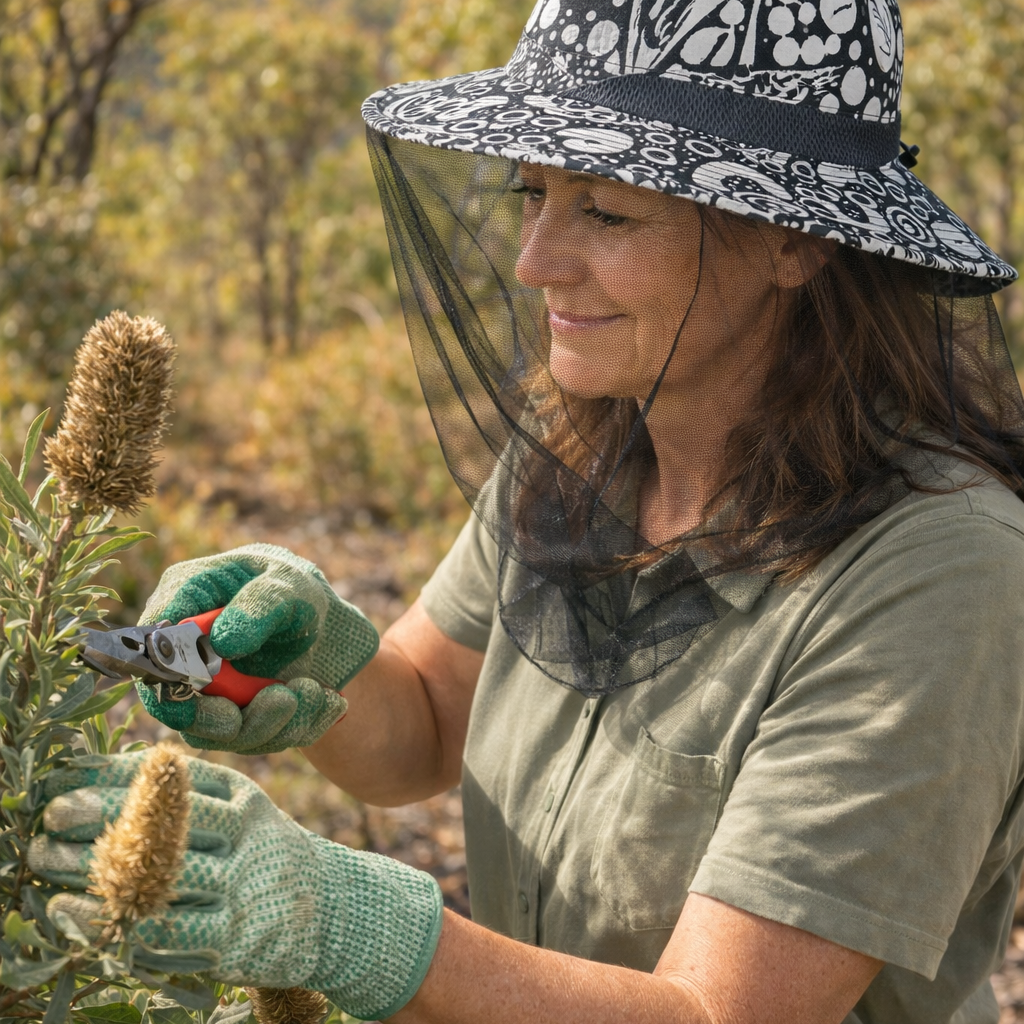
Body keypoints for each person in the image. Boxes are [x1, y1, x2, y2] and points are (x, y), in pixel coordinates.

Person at [29, 0, 1024, 1021]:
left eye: (605, 211)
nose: (536, 260)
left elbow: (720, 1012)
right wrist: (318, 657)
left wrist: (356, 925)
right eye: (533, 196)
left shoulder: (940, 573)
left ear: (792, 244)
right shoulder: (582, 451)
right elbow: (421, 721)